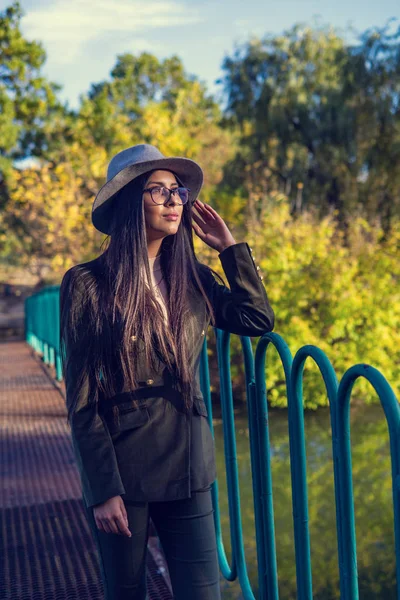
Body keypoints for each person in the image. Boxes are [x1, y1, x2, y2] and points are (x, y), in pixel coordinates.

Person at [59, 143, 275, 600]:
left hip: (189, 465)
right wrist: (101, 489)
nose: (175, 201)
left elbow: (256, 320)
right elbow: (80, 397)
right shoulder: (87, 284)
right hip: (124, 471)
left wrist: (230, 249)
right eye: (159, 191)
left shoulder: (193, 278)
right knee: (127, 592)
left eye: (177, 191)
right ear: (128, 200)